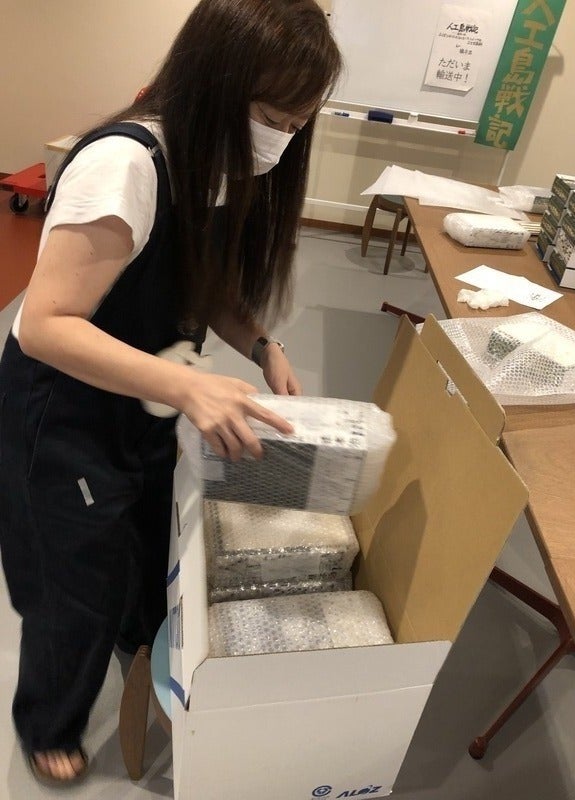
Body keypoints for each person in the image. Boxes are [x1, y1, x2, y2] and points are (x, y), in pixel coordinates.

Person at [0, 0, 341, 785]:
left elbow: (202, 279)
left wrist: (261, 345)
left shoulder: (212, 163)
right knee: (72, 584)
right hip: (65, 415)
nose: (281, 141)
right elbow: (44, 325)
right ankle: (48, 721)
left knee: (145, 543)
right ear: (214, 81)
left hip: (142, 402)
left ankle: (135, 641)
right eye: (271, 118)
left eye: (297, 126)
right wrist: (190, 388)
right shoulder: (125, 165)